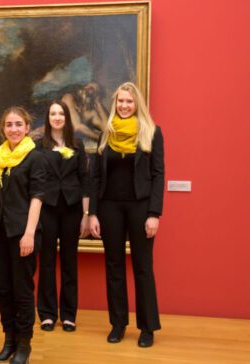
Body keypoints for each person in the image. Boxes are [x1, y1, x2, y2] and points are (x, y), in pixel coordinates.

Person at [89, 82, 164, 348]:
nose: (124, 106)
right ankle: (118, 324)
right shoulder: (105, 135)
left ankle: (147, 328)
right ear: (114, 103)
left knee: (143, 268)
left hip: (141, 208)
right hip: (110, 208)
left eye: (129, 102)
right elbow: (95, 178)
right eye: (120, 101)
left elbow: (158, 175)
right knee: (114, 267)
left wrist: (154, 213)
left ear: (137, 104)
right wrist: (93, 214)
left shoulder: (152, 133)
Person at [0, 106, 45, 364]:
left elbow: (37, 198)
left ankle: (23, 346)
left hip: (23, 234)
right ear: (3, 129)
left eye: (19, 124)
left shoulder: (34, 157)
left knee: (22, 291)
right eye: (9, 125)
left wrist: (29, 234)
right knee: (3, 291)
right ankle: (8, 341)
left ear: (27, 127)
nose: (14, 129)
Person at [36, 100, 90, 333]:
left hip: (72, 209)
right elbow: (35, 183)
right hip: (47, 208)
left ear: (67, 117)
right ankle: (47, 315)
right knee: (46, 263)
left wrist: (86, 215)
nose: (57, 117)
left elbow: (85, 181)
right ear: (48, 118)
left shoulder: (77, 145)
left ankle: (68, 315)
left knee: (70, 263)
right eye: (53, 113)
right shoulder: (38, 147)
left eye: (61, 113)